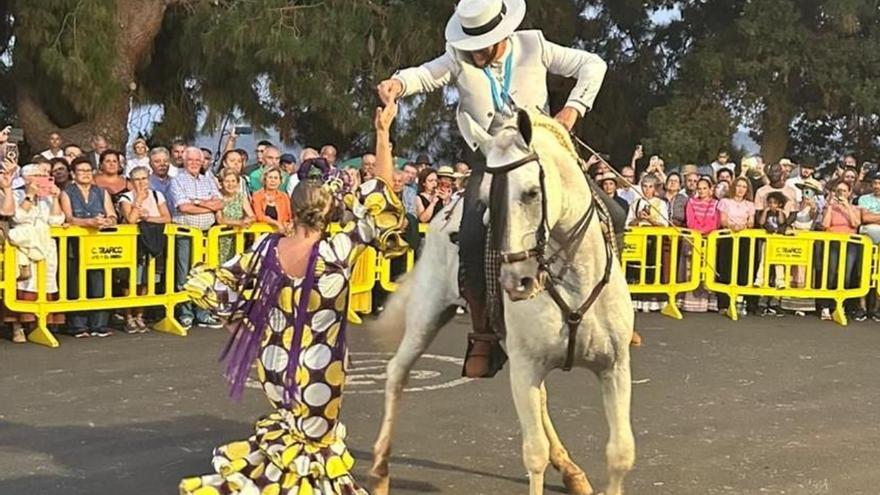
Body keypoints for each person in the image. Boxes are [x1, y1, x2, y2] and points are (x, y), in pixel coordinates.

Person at [179, 102, 407, 495]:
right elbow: (381, 199)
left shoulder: (266, 247)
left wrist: (242, 329)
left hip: (274, 359)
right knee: (313, 443)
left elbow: (210, 284)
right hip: (320, 366)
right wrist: (383, 134)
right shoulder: (338, 251)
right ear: (330, 211)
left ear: (294, 209)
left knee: (294, 434)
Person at [378, 0, 610, 377]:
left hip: (540, 158)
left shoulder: (534, 45)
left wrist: (573, 109)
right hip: (489, 161)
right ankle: (483, 333)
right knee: (471, 237)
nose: (474, 53)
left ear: (502, 34)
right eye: (470, 45)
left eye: (481, 46)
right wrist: (399, 83)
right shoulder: (457, 56)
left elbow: (593, 64)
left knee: (614, 214)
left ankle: (610, 309)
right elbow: (425, 74)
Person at [0, 164, 66, 342]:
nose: (43, 178)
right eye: (38, 175)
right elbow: (18, 217)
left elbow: (56, 220)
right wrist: (29, 195)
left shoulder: (47, 197)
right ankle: (17, 327)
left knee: (45, 284)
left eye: (45, 174)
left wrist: (56, 199)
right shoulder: (16, 194)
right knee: (22, 283)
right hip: (23, 245)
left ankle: (40, 324)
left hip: (45, 245)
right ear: (27, 178)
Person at [60, 157, 118, 338]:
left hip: (98, 245)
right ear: (73, 174)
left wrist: (107, 221)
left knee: (99, 283)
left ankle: (99, 324)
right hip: (74, 244)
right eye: (81, 171)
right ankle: (77, 325)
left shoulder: (101, 192)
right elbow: (69, 218)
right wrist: (88, 222)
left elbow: (112, 215)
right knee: (75, 284)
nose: (85, 174)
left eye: (88, 170)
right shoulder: (66, 193)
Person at [170, 147, 224, 330]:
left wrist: (197, 202)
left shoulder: (208, 180)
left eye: (197, 160)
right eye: (190, 160)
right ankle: (185, 313)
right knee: (184, 274)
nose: (194, 163)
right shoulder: (177, 180)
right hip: (186, 234)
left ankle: (203, 312)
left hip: (207, 234)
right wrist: (208, 206)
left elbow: (220, 202)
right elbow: (183, 207)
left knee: (205, 275)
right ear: (184, 161)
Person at [118, 166, 172, 333]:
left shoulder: (157, 195)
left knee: (147, 280)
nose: (141, 182)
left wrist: (148, 218)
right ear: (131, 182)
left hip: (152, 241)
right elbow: (131, 219)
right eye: (137, 179)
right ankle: (128, 316)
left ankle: (140, 316)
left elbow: (167, 217)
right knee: (130, 281)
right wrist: (139, 200)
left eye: (144, 178)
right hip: (133, 244)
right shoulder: (126, 197)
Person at [816, 181, 861, 321]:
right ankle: (825, 306)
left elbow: (855, 223)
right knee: (830, 273)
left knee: (846, 275)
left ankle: (839, 305)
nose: (841, 194)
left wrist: (846, 206)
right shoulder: (829, 207)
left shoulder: (855, 208)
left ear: (849, 193)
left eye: (844, 191)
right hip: (833, 242)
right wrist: (830, 207)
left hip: (849, 244)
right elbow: (824, 224)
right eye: (838, 191)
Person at [717, 177, 756, 316]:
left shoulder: (749, 205)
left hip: (744, 238)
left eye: (744, 187)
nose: (741, 189)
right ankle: (723, 303)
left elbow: (751, 222)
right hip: (728, 238)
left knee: (743, 269)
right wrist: (732, 226)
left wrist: (744, 226)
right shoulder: (725, 202)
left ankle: (740, 301)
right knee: (725, 269)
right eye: (739, 186)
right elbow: (723, 220)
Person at [681, 176, 720, 313]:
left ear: (710, 189)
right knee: (691, 269)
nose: (702, 191)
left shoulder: (716, 204)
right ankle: (690, 301)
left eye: (705, 188)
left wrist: (704, 231)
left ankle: (707, 301)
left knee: (708, 270)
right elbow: (690, 221)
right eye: (699, 189)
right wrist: (698, 232)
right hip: (694, 238)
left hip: (710, 239)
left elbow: (715, 222)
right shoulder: (691, 202)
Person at [252, 166, 292, 232]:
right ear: (265, 180)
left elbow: (290, 215)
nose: (273, 180)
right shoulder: (257, 196)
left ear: (280, 181)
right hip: (262, 232)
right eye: (270, 177)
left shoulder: (284, 196)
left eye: (276, 178)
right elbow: (259, 215)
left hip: (282, 231)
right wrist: (275, 223)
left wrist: (290, 225)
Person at [148, 147, 176, 215]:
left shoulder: (176, 182)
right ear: (150, 164)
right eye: (157, 161)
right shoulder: (146, 184)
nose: (162, 164)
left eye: (165, 161)